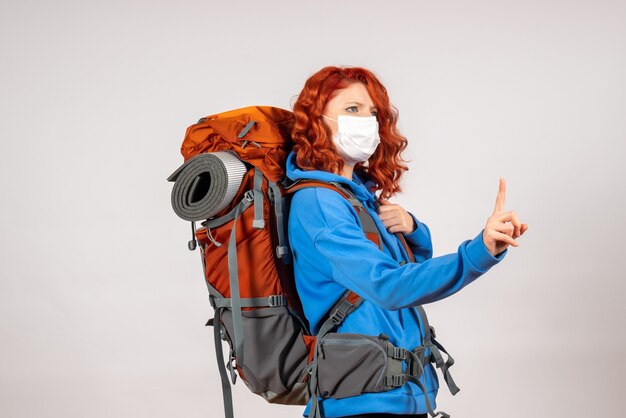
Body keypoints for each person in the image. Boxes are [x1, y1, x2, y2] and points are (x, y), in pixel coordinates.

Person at [285, 66, 528, 418]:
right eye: (351, 110)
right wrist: (479, 252)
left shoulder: (357, 198)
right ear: (315, 121)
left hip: (398, 397)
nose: (367, 121)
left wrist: (414, 229)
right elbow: (389, 287)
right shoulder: (320, 205)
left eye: (372, 113)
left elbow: (410, 273)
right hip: (361, 404)